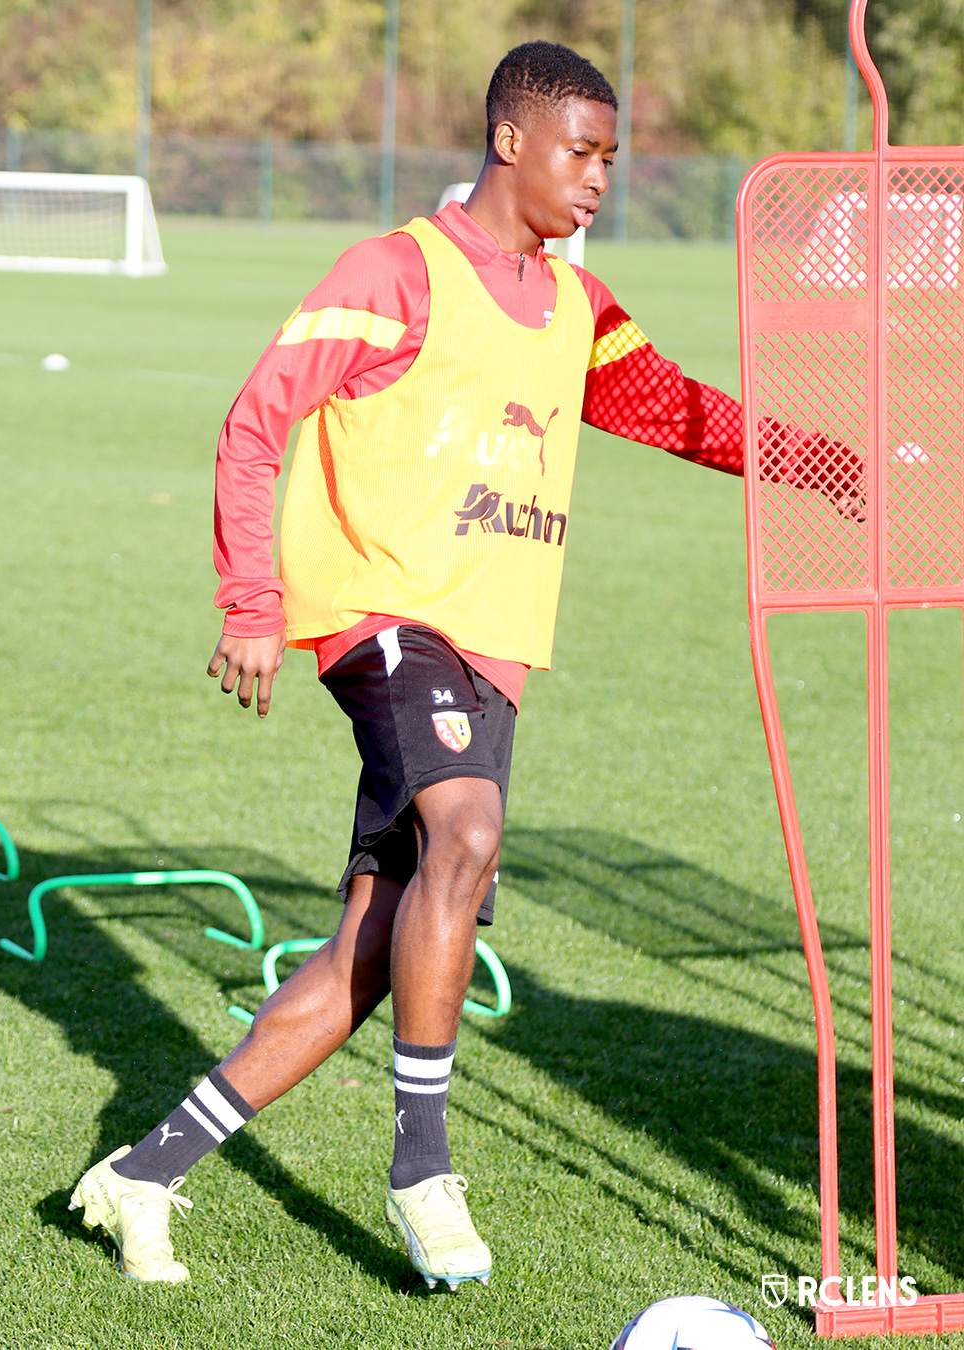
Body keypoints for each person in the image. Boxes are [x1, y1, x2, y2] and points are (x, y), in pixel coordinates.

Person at [69, 40, 862, 1291]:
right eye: (581, 151)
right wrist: (251, 601)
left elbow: (673, 408)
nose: (599, 178)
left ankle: (143, 1173)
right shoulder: (395, 271)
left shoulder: (578, 306)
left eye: (613, 158)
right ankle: (422, 1167)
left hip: (493, 652)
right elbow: (256, 417)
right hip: (385, 619)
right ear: (510, 140)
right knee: (471, 831)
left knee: (367, 961)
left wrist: (814, 462)